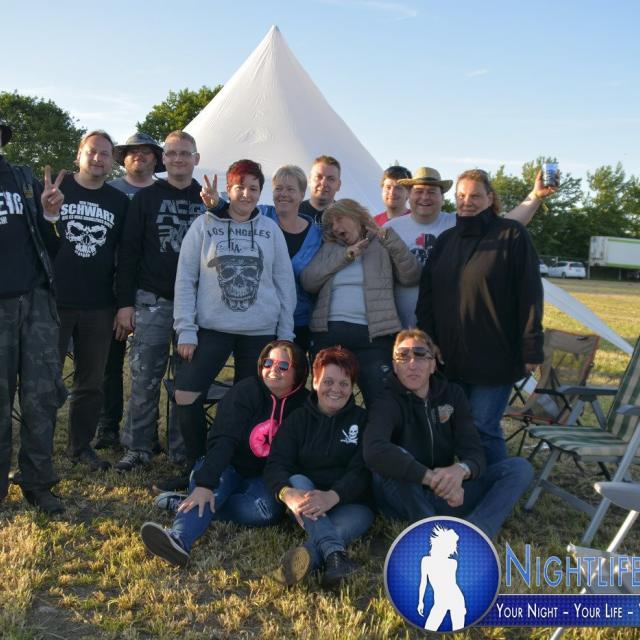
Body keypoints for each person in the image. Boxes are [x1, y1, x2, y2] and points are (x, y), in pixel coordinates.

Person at [172, 159, 296, 486]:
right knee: (185, 393)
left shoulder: (270, 230)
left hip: (260, 333)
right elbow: (185, 279)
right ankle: (198, 464)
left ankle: (238, 469)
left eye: (254, 188)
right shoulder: (204, 225)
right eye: (240, 187)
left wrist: (285, 335)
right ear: (229, 189)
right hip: (211, 329)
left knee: (250, 404)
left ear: (260, 192)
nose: (246, 194)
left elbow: (285, 284)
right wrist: (186, 328)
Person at [139, 340, 309, 567]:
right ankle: (179, 539)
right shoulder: (246, 391)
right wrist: (205, 484)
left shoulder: (305, 405)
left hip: (265, 478)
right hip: (227, 464)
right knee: (211, 490)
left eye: (283, 366)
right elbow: (224, 439)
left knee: (265, 512)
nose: (273, 370)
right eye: (268, 363)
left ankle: (186, 504)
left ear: (298, 372)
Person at [416, 170, 545, 465]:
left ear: (490, 198)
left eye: (475, 195)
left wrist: (531, 347)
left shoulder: (512, 235)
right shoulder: (446, 240)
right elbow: (427, 296)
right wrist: (428, 341)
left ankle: (500, 483)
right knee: (456, 427)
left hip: (496, 355)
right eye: (461, 196)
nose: (467, 202)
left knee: (482, 428)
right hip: (450, 356)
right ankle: (466, 483)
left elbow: (530, 295)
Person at [364, 329, 533, 539]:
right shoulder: (386, 400)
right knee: (393, 457)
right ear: (395, 366)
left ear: (433, 365)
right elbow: (374, 450)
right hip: (404, 497)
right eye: (403, 356)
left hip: (446, 494)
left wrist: (461, 471)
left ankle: (477, 533)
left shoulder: (452, 395)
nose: (412, 364)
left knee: (519, 468)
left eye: (420, 355)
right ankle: (430, 530)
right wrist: (431, 478)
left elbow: (475, 453)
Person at [115, 130, 206, 472]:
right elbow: (128, 253)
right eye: (172, 153)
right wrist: (125, 303)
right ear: (163, 159)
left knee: (187, 381)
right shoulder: (146, 198)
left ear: (196, 159)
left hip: (196, 306)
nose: (178, 159)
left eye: (185, 153)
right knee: (144, 378)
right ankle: (138, 447)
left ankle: (182, 450)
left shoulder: (207, 199)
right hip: (153, 299)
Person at [387, 166, 556, 327]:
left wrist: (535, 196)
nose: (425, 197)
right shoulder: (390, 229)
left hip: (444, 326)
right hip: (400, 327)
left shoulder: (459, 224)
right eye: (419, 191)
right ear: (409, 195)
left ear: (442, 197)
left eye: (432, 192)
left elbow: (505, 227)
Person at [0, 118, 67, 513]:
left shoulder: (22, 178)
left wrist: (50, 215)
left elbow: (49, 243)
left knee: (42, 398)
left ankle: (38, 483)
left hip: (36, 302)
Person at [265, 346, 373, 588]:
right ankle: (336, 557)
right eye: (328, 381)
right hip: (306, 503)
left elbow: (362, 470)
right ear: (315, 382)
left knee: (338, 529)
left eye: (344, 384)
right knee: (298, 480)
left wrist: (333, 496)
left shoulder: (363, 421)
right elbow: (276, 465)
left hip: (351, 504)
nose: (336, 389)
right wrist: (286, 493)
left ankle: (313, 557)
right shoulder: (298, 419)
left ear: (352, 387)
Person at [52, 130, 128, 472]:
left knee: (91, 382)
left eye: (104, 153)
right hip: (54, 300)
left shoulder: (119, 202)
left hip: (99, 304)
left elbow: (126, 257)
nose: (98, 158)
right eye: (92, 151)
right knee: (44, 379)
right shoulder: (59, 189)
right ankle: (37, 448)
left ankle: (80, 447)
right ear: (79, 154)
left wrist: (123, 302)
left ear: (112, 161)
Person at [300, 198, 420, 406]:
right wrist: (345, 256)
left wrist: (389, 239)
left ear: (356, 216)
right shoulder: (330, 248)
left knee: (382, 400)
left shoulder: (382, 244)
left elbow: (411, 276)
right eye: (331, 225)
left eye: (339, 219)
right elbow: (308, 281)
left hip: (373, 337)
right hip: (329, 333)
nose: (335, 228)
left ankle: (377, 429)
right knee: (328, 399)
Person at [94, 133, 165, 451]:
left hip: (152, 288)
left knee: (148, 367)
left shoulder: (163, 192)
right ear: (123, 158)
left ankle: (146, 432)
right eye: (133, 151)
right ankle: (107, 426)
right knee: (110, 362)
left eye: (146, 151)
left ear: (156, 159)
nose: (139, 155)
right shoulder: (109, 191)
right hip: (110, 286)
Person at [261, 165, 323, 351]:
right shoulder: (261, 216)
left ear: (302, 194)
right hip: (261, 318)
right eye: (278, 188)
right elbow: (233, 210)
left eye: (290, 189)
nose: (283, 194)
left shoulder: (317, 235)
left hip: (299, 320)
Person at [298, 155, 341, 224]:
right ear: (309, 181)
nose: (324, 183)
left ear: (338, 185)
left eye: (331, 179)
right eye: (318, 177)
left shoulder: (347, 218)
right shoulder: (294, 213)